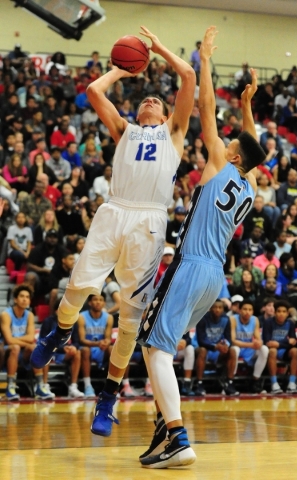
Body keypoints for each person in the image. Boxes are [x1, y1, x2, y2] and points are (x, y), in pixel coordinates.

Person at [30, 24, 196, 437]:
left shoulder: (174, 132)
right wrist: (124, 68)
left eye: (157, 99)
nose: (152, 100)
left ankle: (107, 398)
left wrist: (157, 49)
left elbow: (188, 78)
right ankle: (60, 331)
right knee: (77, 289)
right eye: (147, 99)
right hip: (114, 211)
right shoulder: (125, 129)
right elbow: (92, 92)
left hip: (150, 221)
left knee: (129, 321)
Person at [136, 27, 266, 468]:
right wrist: (247, 107)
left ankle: (176, 437)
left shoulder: (217, 163)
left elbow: (207, 107)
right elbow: (255, 148)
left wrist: (206, 59)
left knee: (154, 346)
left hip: (190, 265)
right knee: (165, 348)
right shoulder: (250, 185)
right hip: (215, 277)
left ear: (231, 156)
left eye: (230, 142)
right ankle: (162, 429)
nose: (225, 139)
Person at [0, 285, 52, 400]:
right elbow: (9, 340)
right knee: (15, 347)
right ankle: (10, 387)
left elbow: (30, 338)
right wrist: (22, 340)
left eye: (27, 297)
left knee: (34, 347)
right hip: (5, 352)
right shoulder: (6, 315)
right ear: (15, 299)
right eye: (22, 296)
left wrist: (19, 340)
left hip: (22, 352)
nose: (25, 299)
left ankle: (40, 386)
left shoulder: (30, 315)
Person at [39, 301, 84, 399]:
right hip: (52, 352)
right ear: (56, 310)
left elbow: (77, 341)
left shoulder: (73, 322)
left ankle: (73, 387)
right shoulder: (48, 321)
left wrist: (73, 347)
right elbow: (43, 340)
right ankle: (44, 385)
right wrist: (62, 348)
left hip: (64, 353)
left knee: (77, 352)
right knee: (46, 351)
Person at [194, 300, 239, 396]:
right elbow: (201, 340)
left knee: (232, 350)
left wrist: (225, 345)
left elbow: (228, 338)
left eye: (220, 308)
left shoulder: (226, 319)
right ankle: (199, 383)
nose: (217, 310)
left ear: (223, 309)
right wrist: (215, 346)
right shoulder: (202, 318)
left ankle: (229, 383)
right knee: (202, 350)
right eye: (215, 307)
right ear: (210, 308)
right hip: (205, 348)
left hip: (218, 350)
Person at [78, 293, 114, 398]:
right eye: (95, 299)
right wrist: (98, 343)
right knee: (85, 350)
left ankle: (112, 386)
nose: (98, 302)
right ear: (89, 302)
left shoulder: (109, 317)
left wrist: (106, 342)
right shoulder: (81, 316)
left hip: (101, 349)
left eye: (101, 300)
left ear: (104, 303)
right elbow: (82, 339)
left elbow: (107, 337)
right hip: (88, 348)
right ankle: (87, 385)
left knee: (112, 349)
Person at [262, 300, 297, 394]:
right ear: (274, 312)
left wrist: (279, 344)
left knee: (295, 351)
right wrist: (286, 342)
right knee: (273, 350)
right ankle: (274, 384)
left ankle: (292, 383)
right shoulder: (268, 322)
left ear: (287, 313)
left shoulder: (290, 323)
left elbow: (293, 341)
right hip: (271, 351)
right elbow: (268, 342)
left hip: (283, 350)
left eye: (284, 312)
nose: (281, 314)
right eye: (279, 311)